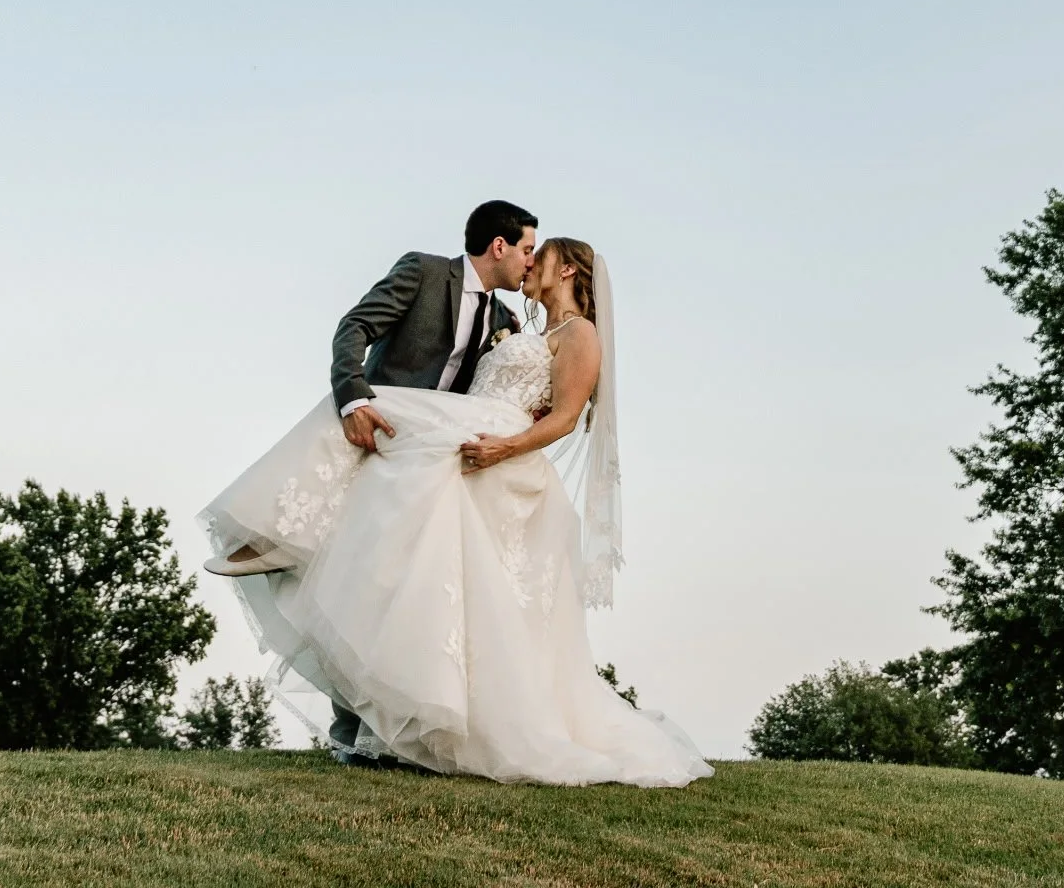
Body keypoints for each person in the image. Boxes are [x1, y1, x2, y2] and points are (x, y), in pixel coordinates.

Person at [199, 217, 709, 785]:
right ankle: (281, 534)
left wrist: (509, 444)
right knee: (368, 467)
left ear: (566, 269)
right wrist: (354, 396)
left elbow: (564, 416)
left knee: (414, 577)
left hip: (480, 447)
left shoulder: (568, 332)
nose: (530, 260)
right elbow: (367, 334)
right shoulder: (482, 307)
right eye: (525, 249)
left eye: (541, 253)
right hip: (451, 434)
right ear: (500, 246)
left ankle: (289, 545)